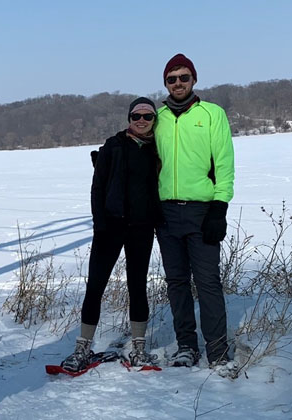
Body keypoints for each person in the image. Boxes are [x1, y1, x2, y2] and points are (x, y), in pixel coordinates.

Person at [61, 97, 164, 372]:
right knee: (95, 286)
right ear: (128, 118)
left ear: (154, 119)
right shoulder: (113, 146)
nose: (141, 121)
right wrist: (100, 223)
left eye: (147, 116)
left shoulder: (158, 150)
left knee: (137, 286)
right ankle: (82, 347)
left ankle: (139, 348)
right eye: (136, 116)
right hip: (110, 227)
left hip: (141, 229)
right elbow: (97, 188)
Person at [152, 53, 237, 376]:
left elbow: (225, 163)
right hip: (166, 212)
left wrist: (220, 206)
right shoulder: (158, 117)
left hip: (202, 211)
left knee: (208, 282)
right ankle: (186, 346)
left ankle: (217, 350)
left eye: (183, 78)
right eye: (172, 79)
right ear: (166, 83)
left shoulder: (212, 114)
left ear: (194, 80)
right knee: (176, 282)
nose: (178, 84)